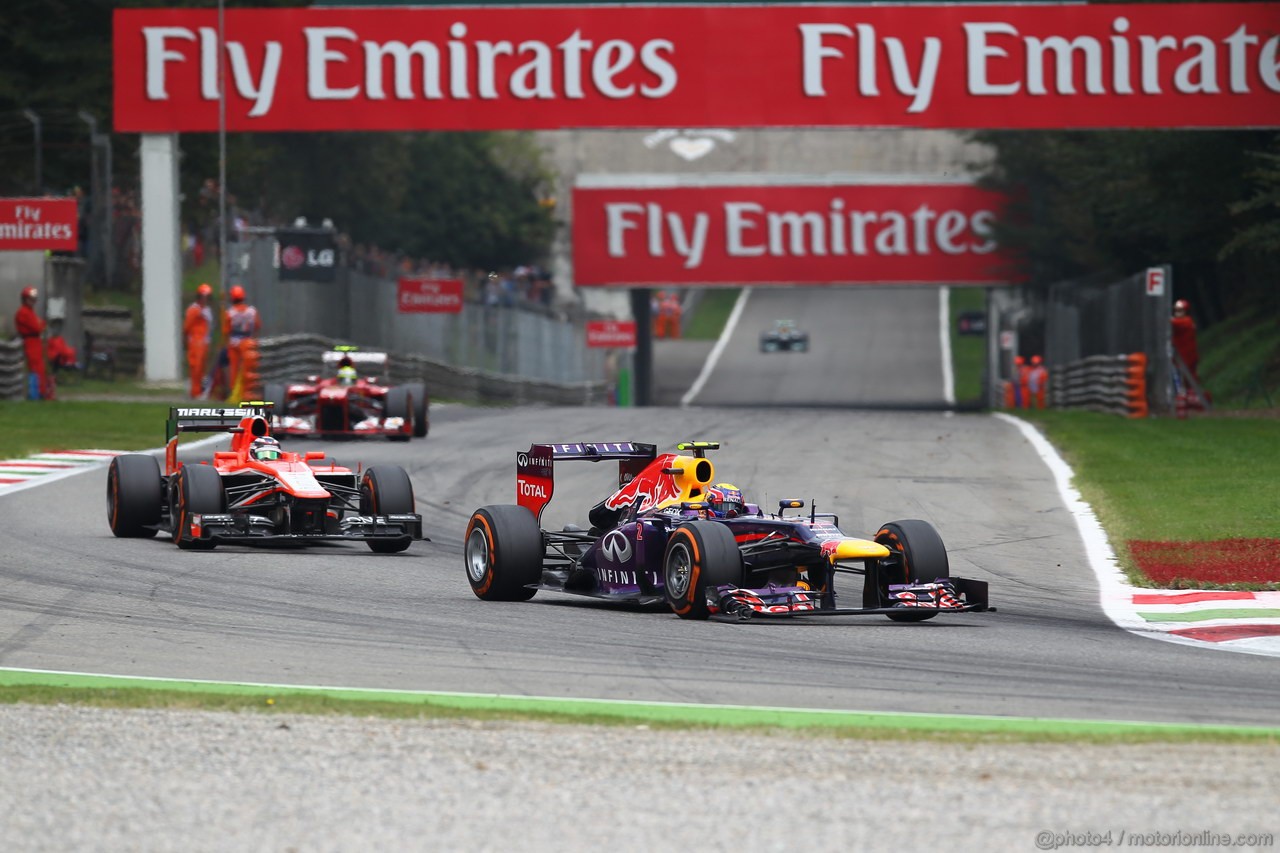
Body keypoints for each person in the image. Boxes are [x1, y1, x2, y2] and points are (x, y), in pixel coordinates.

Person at [222, 284, 260, 401]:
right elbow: (258, 325)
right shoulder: (252, 311)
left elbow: (226, 330)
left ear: (232, 298)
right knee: (249, 370)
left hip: (234, 344)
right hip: (248, 343)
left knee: (234, 370)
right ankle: (248, 394)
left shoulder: (230, 313)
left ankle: (236, 395)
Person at [14, 286, 50, 400]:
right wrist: (40, 324)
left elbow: (41, 325)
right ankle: (36, 393)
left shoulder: (29, 312)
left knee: (40, 367)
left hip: (35, 342)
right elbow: (37, 327)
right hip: (30, 342)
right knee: (35, 368)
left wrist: (41, 324)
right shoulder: (23, 312)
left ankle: (40, 392)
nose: (33, 302)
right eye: (31, 299)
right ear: (25, 299)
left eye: (34, 299)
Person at [184, 283, 214, 398]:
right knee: (196, 366)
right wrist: (186, 339)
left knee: (202, 367)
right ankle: (195, 391)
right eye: (204, 296)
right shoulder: (194, 309)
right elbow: (187, 326)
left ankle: (200, 390)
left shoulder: (207, 310)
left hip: (204, 341)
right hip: (196, 341)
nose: (206, 299)